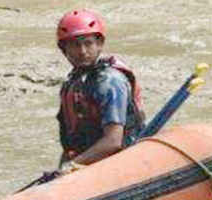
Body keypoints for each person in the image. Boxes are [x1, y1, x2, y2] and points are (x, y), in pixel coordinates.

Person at [55, 9, 146, 172]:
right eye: (75, 45)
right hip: (88, 161)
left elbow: (113, 141)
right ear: (64, 50)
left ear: (99, 44)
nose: (82, 51)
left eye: (88, 43)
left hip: (121, 162)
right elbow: (71, 141)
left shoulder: (111, 81)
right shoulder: (72, 82)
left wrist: (73, 165)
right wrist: (63, 169)